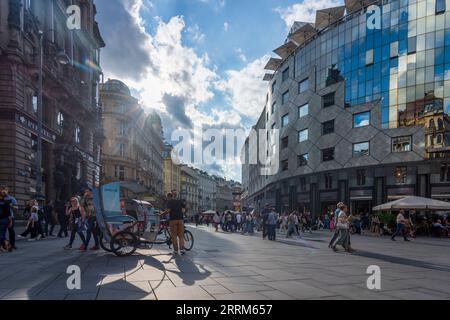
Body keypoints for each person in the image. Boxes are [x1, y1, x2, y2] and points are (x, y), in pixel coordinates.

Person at [165, 191, 186, 255]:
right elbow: (184, 208)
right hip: (181, 220)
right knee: (181, 236)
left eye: (167, 197)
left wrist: (161, 214)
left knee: (174, 236)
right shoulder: (179, 201)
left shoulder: (169, 201)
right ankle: (182, 249)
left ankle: (176, 250)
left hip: (173, 220)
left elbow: (168, 211)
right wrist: (182, 213)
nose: (167, 199)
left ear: (169, 197)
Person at [0, 186, 18, 250]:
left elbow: (16, 208)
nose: (3, 191)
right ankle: (4, 245)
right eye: (2, 190)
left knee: (11, 231)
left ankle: (12, 244)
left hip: (10, 217)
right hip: (2, 217)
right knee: (2, 232)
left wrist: (11, 206)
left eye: (5, 190)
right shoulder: (1, 198)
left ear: (8, 191)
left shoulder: (11, 198)